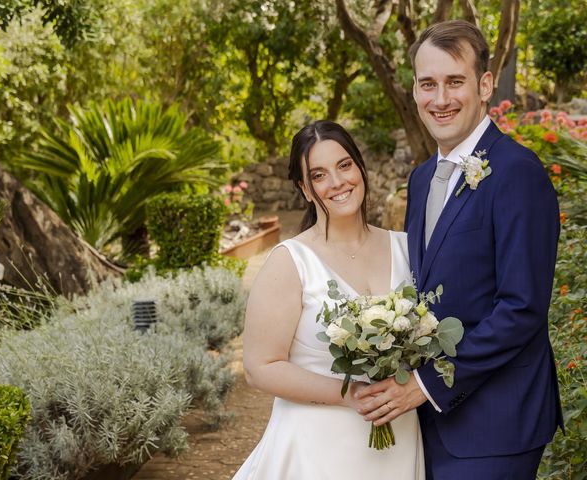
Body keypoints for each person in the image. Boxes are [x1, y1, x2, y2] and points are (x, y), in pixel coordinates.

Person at [353, 20, 563, 479]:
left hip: (497, 425)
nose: (440, 99)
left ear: (485, 85)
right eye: (428, 83)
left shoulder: (517, 173)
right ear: (414, 90)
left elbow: (521, 309)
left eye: (455, 82)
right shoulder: (423, 177)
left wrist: (424, 385)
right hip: (431, 423)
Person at [233, 120, 425, 479]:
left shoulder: (406, 247)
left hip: (398, 439)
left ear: (359, 167)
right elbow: (260, 367)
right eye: (319, 175)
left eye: (344, 165)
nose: (338, 183)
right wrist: (348, 394)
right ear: (305, 189)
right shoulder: (290, 261)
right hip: (315, 449)